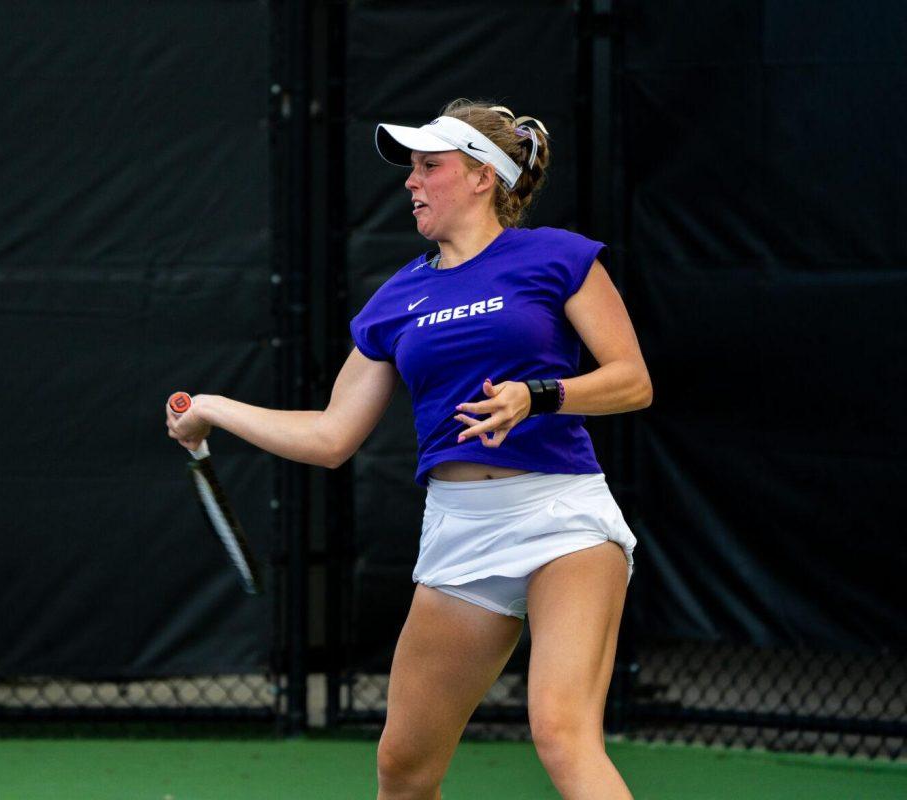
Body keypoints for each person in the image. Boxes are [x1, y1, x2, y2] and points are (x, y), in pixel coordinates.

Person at [166, 98, 652, 800]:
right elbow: (332, 437)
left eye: (430, 166)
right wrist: (213, 409)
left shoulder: (557, 257)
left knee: (560, 728)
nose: (410, 182)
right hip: (461, 530)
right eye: (412, 169)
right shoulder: (398, 300)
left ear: (483, 177)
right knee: (403, 768)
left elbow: (632, 381)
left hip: (563, 517)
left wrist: (537, 395)